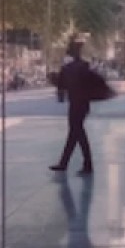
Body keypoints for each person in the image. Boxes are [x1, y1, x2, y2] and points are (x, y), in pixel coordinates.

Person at [50, 39, 95, 175]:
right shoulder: (85, 66)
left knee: (77, 133)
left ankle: (85, 164)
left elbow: (61, 86)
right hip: (83, 105)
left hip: (75, 104)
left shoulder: (67, 68)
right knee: (75, 133)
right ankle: (66, 163)